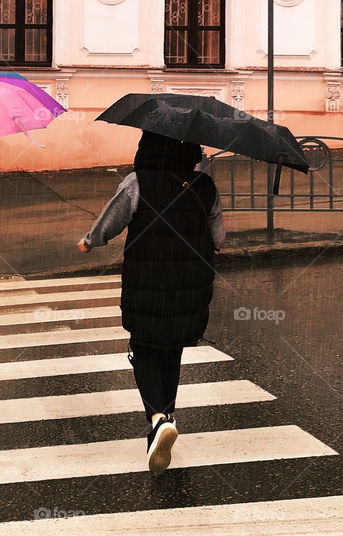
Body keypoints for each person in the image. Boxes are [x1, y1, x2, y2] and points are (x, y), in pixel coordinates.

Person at [77, 131, 225, 476]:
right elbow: (218, 238)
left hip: (147, 284)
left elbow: (112, 221)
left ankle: (158, 418)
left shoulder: (138, 181)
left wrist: (88, 242)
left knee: (144, 348)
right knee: (172, 351)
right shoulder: (206, 185)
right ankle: (164, 421)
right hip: (191, 288)